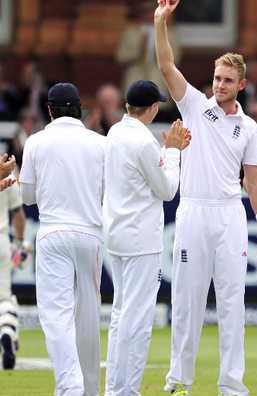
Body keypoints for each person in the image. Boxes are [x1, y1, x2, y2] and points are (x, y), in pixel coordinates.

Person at [154, 1, 257, 395]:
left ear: (240, 84)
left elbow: (254, 183)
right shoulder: (194, 106)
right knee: (186, 301)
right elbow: (167, 67)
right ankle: (178, 380)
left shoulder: (250, 127)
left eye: (226, 80)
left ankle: (231, 384)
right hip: (193, 211)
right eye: (216, 78)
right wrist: (160, 22)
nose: (218, 85)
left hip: (229, 216)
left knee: (232, 303)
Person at [103, 80, 190, 396]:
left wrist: (166, 152)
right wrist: (174, 152)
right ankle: (124, 390)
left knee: (120, 314)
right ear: (152, 108)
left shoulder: (115, 132)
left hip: (116, 235)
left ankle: (116, 388)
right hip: (139, 239)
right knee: (136, 320)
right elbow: (167, 190)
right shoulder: (143, 141)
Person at [19, 82, 106, 395]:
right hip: (90, 234)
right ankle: (89, 390)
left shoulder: (36, 142)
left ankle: (70, 385)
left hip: (53, 231)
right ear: (80, 108)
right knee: (87, 316)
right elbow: (108, 192)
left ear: (50, 110)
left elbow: (27, 197)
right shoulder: (99, 143)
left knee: (57, 315)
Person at [0, 180, 25, 370]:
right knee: (4, 299)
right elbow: (18, 213)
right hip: (2, 243)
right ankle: (7, 330)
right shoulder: (7, 175)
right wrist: (19, 243)